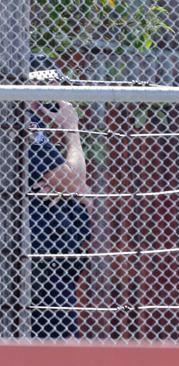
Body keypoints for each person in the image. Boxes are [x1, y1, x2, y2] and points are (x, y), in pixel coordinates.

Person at [27, 54, 92, 338]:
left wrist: (68, 189)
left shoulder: (35, 125)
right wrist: (72, 131)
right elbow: (75, 179)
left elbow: (79, 189)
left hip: (55, 262)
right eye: (50, 84)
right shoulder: (25, 125)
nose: (58, 93)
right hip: (42, 263)